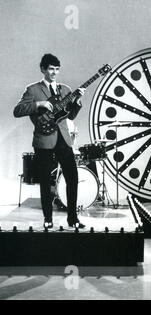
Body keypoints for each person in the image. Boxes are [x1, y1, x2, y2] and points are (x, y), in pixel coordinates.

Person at [14, 53, 86, 229]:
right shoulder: (33, 89)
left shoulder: (65, 89)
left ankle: (73, 218)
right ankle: (48, 218)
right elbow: (18, 110)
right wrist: (39, 104)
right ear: (43, 69)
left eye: (57, 69)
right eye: (51, 69)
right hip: (44, 139)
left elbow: (71, 115)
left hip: (63, 139)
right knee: (45, 181)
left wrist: (77, 101)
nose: (54, 72)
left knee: (73, 178)